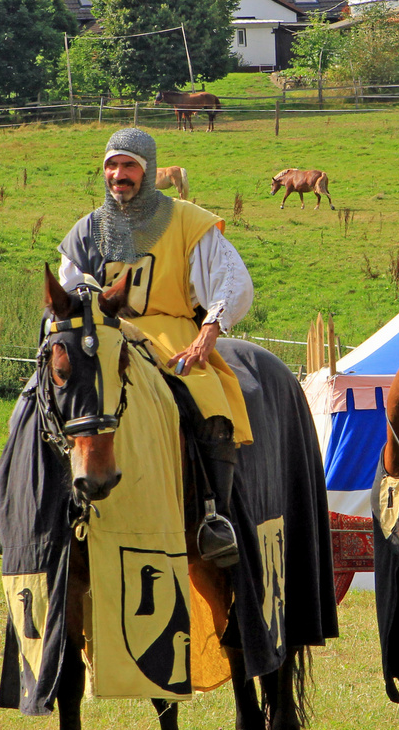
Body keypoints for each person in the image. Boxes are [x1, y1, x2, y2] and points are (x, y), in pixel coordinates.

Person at [57, 127, 254, 564]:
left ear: (147, 172)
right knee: (51, 402)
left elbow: (232, 278)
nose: (119, 174)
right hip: (104, 337)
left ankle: (212, 518)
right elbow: (68, 296)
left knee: (209, 400)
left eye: (129, 166)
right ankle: (42, 512)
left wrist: (210, 329)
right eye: (112, 165)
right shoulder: (88, 230)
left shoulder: (185, 219)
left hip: (171, 333)